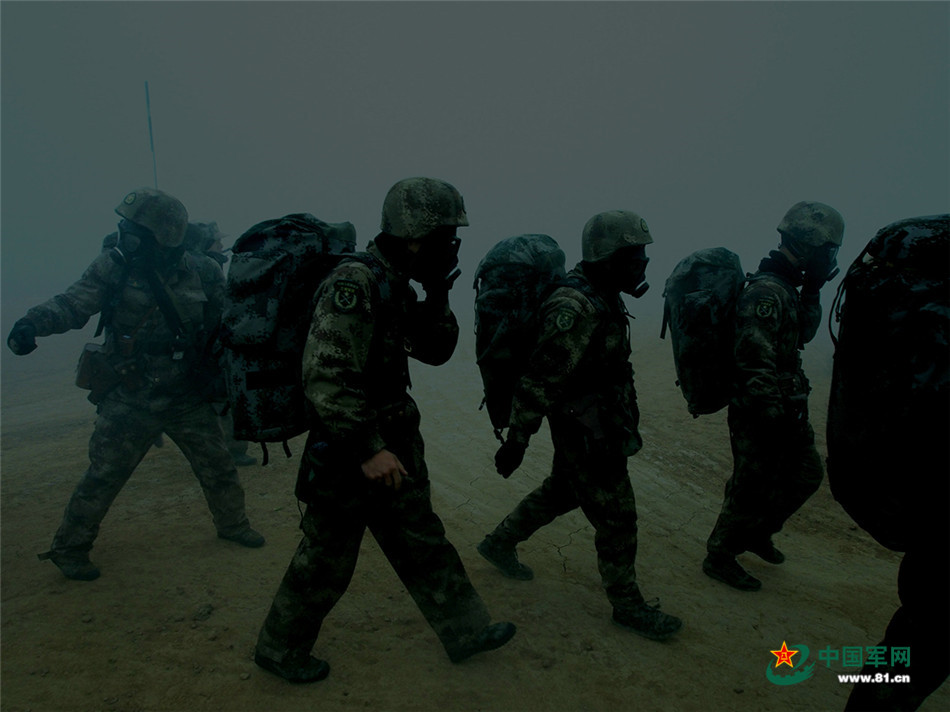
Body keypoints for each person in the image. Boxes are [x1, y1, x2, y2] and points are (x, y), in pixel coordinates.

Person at [254, 177, 516, 684]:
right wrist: (367, 448)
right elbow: (325, 376)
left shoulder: (395, 281)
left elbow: (437, 350)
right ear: (416, 234)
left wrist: (438, 291)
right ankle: (278, 649)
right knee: (327, 557)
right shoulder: (356, 282)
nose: (452, 246)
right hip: (351, 446)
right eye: (445, 236)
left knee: (422, 539)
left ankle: (464, 630)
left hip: (392, 441)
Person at [7, 187, 265, 582]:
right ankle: (69, 548)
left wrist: (223, 370)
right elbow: (73, 303)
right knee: (103, 475)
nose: (127, 235)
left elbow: (225, 323)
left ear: (165, 235)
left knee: (218, 466)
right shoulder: (114, 267)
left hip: (185, 394)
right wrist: (31, 324)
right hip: (132, 395)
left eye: (137, 230)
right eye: (126, 227)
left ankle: (233, 524)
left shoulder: (203, 270)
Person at [477, 210, 683, 641]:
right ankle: (627, 605)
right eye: (634, 254)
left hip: (598, 421)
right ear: (607, 255)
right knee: (618, 518)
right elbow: (542, 377)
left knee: (563, 491)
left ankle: (499, 542)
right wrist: (517, 439)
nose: (643, 262)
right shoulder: (575, 306)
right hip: (588, 431)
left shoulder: (604, 294)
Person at [702, 201, 844, 592]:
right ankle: (720, 554)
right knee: (751, 482)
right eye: (826, 251)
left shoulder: (788, 288)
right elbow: (752, 359)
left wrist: (813, 290)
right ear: (805, 245)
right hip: (762, 408)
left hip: (786, 405)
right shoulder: (765, 291)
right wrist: (771, 412)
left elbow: (804, 333)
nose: (829, 258)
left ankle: (758, 532)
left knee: (806, 473)